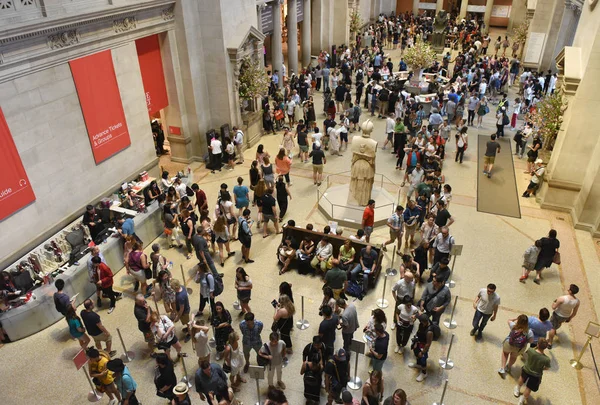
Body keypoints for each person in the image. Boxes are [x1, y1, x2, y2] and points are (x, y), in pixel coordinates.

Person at [513, 338, 552, 405]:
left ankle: (517, 389)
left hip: (526, 369)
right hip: (536, 374)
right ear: (545, 348)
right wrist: (541, 368)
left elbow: (526, 355)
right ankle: (521, 400)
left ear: (537, 344)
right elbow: (547, 368)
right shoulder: (546, 359)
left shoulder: (531, 350)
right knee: (529, 388)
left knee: (522, 378)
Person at [408, 314, 434, 382]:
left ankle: (424, 373)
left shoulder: (429, 332)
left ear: (425, 322)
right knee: (416, 354)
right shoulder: (422, 323)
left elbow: (428, 344)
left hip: (423, 346)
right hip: (418, 342)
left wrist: (422, 352)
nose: (420, 322)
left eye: (421, 322)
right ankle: (418, 364)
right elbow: (418, 315)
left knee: (423, 359)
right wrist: (414, 316)